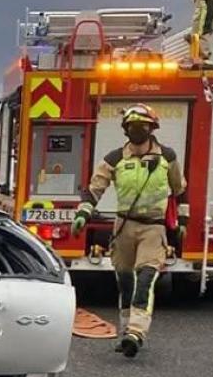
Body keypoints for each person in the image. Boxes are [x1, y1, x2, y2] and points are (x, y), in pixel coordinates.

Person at [72, 104, 187, 358]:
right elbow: (94, 188)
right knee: (125, 281)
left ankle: (136, 332)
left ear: (152, 128)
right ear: (125, 129)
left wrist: (183, 223)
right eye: (132, 126)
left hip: (153, 228)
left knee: (145, 279)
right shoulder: (115, 159)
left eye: (143, 126)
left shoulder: (167, 158)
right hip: (124, 227)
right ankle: (126, 331)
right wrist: (82, 213)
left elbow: (180, 191)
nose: (137, 130)